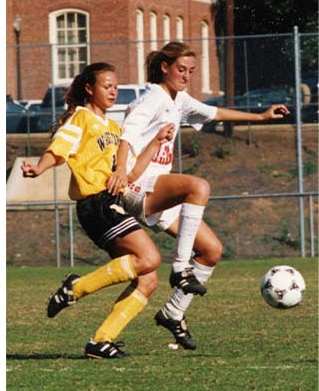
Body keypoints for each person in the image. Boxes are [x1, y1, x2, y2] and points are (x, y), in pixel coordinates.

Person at [115, 41, 290, 350]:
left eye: (191, 71)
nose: (186, 76)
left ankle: (173, 313)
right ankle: (181, 267)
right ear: (164, 68)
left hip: (159, 187)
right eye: (181, 69)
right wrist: (119, 171)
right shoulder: (152, 99)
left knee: (211, 250)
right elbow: (126, 135)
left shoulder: (178, 99)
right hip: (138, 185)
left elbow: (214, 112)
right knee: (199, 186)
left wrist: (260, 118)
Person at [20, 62, 173, 359]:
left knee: (148, 278)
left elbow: (131, 172)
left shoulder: (113, 129)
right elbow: (59, 148)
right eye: (107, 85)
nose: (113, 91)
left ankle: (100, 342)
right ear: (89, 88)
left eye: (116, 86)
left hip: (110, 202)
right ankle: (75, 289)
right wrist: (39, 167)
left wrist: (156, 142)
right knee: (151, 257)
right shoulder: (82, 118)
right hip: (97, 204)